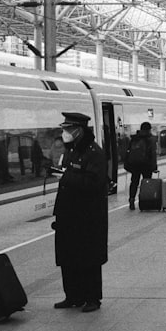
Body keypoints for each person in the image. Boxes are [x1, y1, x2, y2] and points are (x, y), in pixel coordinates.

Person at [52, 112, 109, 312]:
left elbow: (95, 183)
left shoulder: (94, 153)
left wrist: (65, 177)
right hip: (68, 214)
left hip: (88, 216)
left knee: (89, 258)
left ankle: (92, 298)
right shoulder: (72, 150)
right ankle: (72, 296)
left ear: (79, 130)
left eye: (68, 129)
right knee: (68, 257)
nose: (64, 133)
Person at [124, 122, 157, 210]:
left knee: (134, 182)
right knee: (146, 183)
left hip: (135, 165)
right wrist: (154, 167)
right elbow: (153, 154)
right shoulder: (150, 139)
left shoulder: (134, 138)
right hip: (146, 165)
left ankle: (131, 199)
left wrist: (127, 164)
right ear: (149, 129)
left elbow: (128, 151)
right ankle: (144, 201)